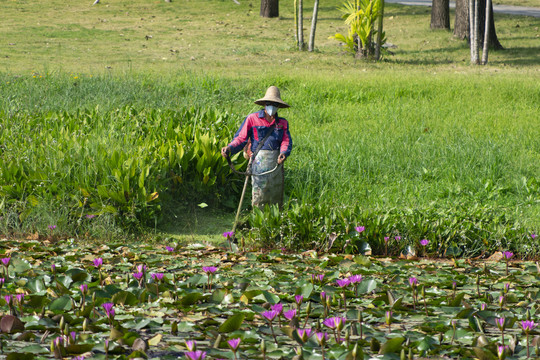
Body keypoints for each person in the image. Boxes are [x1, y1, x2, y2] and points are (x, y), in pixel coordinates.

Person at [221, 86, 292, 208]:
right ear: (264, 104)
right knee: (259, 193)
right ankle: (258, 220)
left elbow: (286, 140)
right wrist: (230, 148)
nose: (272, 106)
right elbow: (241, 138)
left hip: (276, 162)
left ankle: (274, 221)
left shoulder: (282, 123)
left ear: (278, 106)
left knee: (275, 193)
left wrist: (284, 153)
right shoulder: (252, 119)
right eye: (269, 103)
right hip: (258, 162)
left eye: (275, 104)